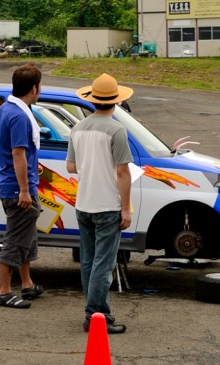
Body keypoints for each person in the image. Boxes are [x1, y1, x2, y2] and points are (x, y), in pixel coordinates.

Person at [68, 73, 134, 334]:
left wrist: (91, 164)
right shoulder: (116, 130)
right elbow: (123, 172)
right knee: (103, 263)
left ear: (92, 100)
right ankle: (97, 316)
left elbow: (71, 167)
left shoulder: (78, 128)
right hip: (107, 205)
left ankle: (92, 312)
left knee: (88, 260)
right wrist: (126, 208)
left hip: (84, 203)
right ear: (116, 101)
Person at [0, 62, 44, 309]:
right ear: (34, 88)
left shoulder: (6, 107)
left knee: (27, 235)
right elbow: (18, 154)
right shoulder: (20, 116)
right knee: (16, 239)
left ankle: (26, 283)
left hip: (11, 183)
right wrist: (24, 189)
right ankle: (3, 291)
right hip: (17, 187)